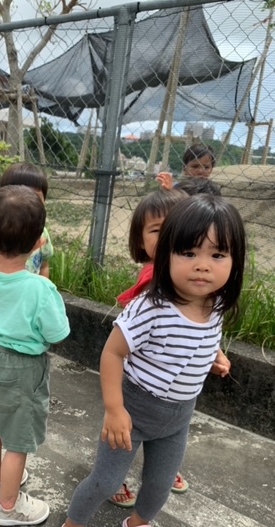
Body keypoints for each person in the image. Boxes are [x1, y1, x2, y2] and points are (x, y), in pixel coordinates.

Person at [53, 194, 246, 527]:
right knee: (106, 480)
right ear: (166, 254)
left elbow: (204, 338)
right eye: (188, 253)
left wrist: (215, 356)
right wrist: (114, 409)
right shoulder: (151, 306)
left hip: (179, 417)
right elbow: (112, 353)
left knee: (159, 485)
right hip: (134, 410)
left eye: (218, 254)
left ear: (234, 260)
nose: (203, 265)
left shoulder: (215, 304)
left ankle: (138, 524)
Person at [0, 185, 70, 526]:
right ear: (39, 243)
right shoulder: (39, 288)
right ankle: (8, 507)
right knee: (18, 442)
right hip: (22, 368)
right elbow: (57, 334)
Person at [112, 189, 190, 507]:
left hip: (175, 379)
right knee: (124, 432)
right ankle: (113, 478)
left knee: (166, 432)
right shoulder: (153, 280)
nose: (169, 236)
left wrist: (215, 352)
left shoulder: (195, 276)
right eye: (158, 230)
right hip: (141, 378)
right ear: (141, 240)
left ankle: (163, 468)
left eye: (177, 227)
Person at [0, 162, 54, 411]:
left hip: (25, 304)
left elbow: (44, 264)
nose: (25, 203)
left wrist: (45, 285)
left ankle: (9, 392)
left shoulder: (42, 235)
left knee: (14, 356)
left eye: (35, 197)